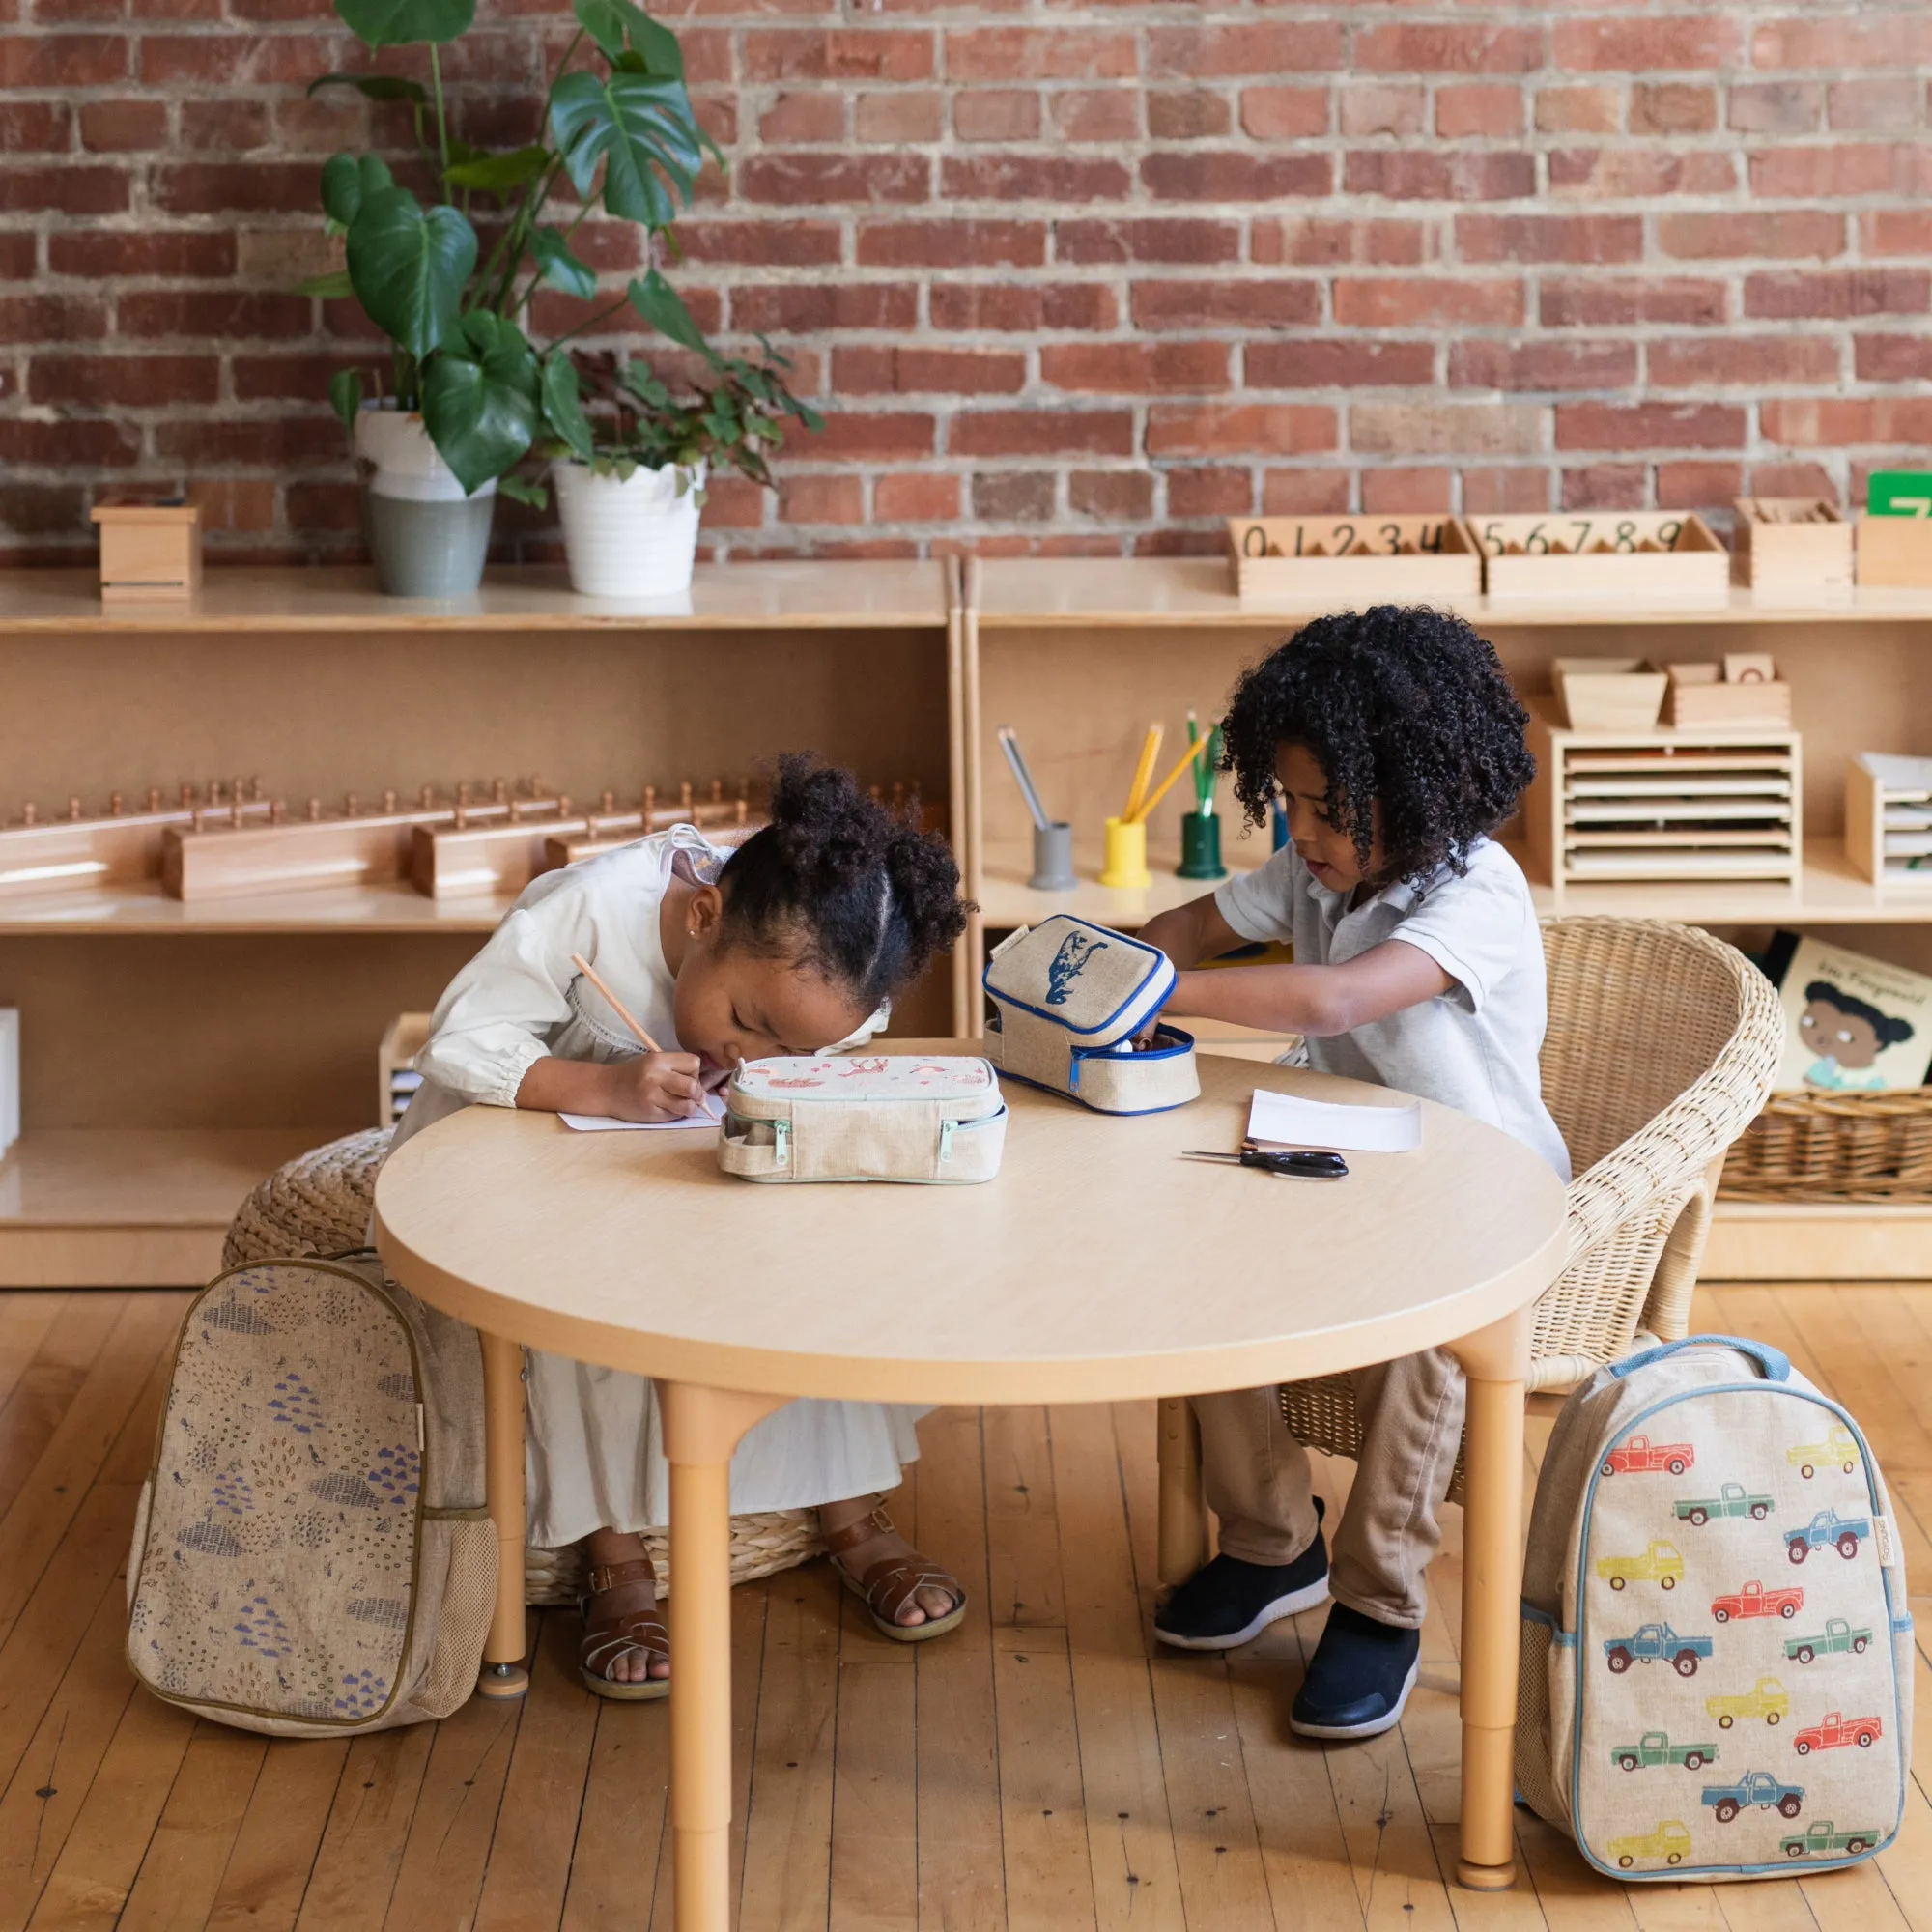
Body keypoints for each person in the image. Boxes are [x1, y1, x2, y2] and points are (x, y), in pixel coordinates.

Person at [384, 757, 973, 1698]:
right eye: (747, 1020)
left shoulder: (825, 965)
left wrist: (797, 1086)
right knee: (581, 1296)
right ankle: (611, 1552)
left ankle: (849, 1507)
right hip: (521, 1153)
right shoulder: (588, 911)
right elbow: (460, 1038)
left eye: (797, 1044)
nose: (754, 1054)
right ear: (701, 916)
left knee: (813, 1257)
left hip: (676, 1162)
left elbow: (831, 1043)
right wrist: (601, 1086)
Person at [1136, 606, 1571, 1742]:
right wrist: (1097, 955)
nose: (1307, 831)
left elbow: (1332, 999)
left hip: (1481, 1197)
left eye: (1332, 809)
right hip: (1346, 1165)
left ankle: (1378, 1600)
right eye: (1289, 802)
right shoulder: (1308, 873)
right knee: (1191, 1264)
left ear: (1422, 789)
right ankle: (1271, 1540)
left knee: (1422, 1340)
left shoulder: (1476, 893)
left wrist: (1148, 997)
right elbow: (1186, 923)